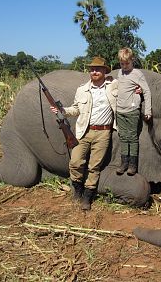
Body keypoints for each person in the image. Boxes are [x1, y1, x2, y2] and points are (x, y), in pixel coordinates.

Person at [50, 56, 118, 210]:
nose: (94, 72)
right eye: (92, 69)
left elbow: (127, 89)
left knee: (94, 166)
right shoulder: (82, 89)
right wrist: (62, 110)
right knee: (75, 162)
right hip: (84, 131)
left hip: (103, 133)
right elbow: (76, 109)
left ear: (104, 71)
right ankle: (77, 189)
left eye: (98, 69)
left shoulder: (113, 86)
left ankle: (88, 196)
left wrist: (138, 90)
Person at [116, 47, 152, 176]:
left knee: (132, 137)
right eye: (122, 64)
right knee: (123, 137)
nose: (125, 66)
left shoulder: (137, 74)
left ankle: (132, 165)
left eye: (127, 63)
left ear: (132, 61)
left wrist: (147, 110)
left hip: (132, 111)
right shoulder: (119, 73)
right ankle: (123, 163)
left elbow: (146, 90)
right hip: (119, 110)